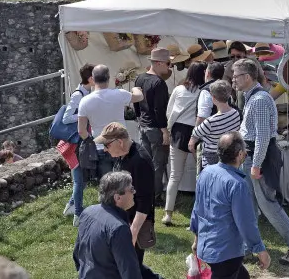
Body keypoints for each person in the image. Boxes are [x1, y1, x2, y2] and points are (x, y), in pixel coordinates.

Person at [232, 58, 289, 265]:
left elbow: (263, 136)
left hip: (260, 158)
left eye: (236, 75)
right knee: (249, 205)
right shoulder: (253, 97)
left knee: (268, 205)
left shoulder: (258, 100)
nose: (233, 80)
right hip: (252, 157)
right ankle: (248, 247)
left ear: (247, 77)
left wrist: (256, 164)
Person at [191, 132, 270, 279]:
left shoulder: (206, 173)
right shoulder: (237, 184)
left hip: (207, 247)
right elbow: (246, 222)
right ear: (240, 154)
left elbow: (197, 209)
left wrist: (196, 239)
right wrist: (260, 250)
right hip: (225, 253)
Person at [96, 123, 160, 279]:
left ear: (120, 142)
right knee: (124, 265)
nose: (105, 149)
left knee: (131, 267)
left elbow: (145, 202)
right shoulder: (122, 156)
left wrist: (133, 232)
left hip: (132, 224)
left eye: (107, 145)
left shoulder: (140, 161)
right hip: (121, 221)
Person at [78, 65, 144, 187]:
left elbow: (81, 131)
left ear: (92, 78)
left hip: (101, 146)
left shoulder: (85, 101)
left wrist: (92, 141)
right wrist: (136, 89)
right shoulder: (119, 94)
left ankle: (108, 205)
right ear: (108, 79)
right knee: (125, 184)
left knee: (107, 186)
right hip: (120, 144)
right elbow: (140, 97)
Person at [73, 171, 143, 279]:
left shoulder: (88, 212)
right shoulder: (119, 228)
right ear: (117, 198)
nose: (134, 192)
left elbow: (77, 254)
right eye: (131, 189)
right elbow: (130, 272)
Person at [162, 61, 206, 226]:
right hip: (198, 131)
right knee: (201, 174)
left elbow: (169, 111)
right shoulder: (204, 92)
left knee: (175, 174)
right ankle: (200, 213)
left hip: (179, 132)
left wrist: (169, 127)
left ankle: (168, 213)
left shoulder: (179, 89)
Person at [134, 48, 172, 205]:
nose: (169, 67)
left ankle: (145, 192)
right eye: (168, 63)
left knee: (146, 163)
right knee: (158, 164)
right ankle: (155, 197)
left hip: (143, 125)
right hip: (155, 128)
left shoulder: (139, 78)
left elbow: (135, 101)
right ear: (159, 63)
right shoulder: (159, 83)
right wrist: (165, 131)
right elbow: (159, 109)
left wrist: (138, 118)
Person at [62, 63, 94, 221]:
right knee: (79, 180)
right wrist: (84, 114)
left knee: (81, 178)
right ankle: (78, 214)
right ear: (90, 78)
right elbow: (66, 118)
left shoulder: (87, 91)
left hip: (80, 141)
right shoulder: (78, 95)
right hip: (74, 143)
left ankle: (70, 207)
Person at [190, 80, 241, 168]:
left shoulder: (210, 122)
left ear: (213, 98)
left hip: (211, 159)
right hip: (229, 156)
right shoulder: (236, 114)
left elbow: (195, 132)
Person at [196, 61, 226, 126]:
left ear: (208, 73)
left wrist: (195, 133)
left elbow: (202, 116)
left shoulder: (206, 91)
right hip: (224, 127)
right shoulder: (226, 87)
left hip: (210, 130)